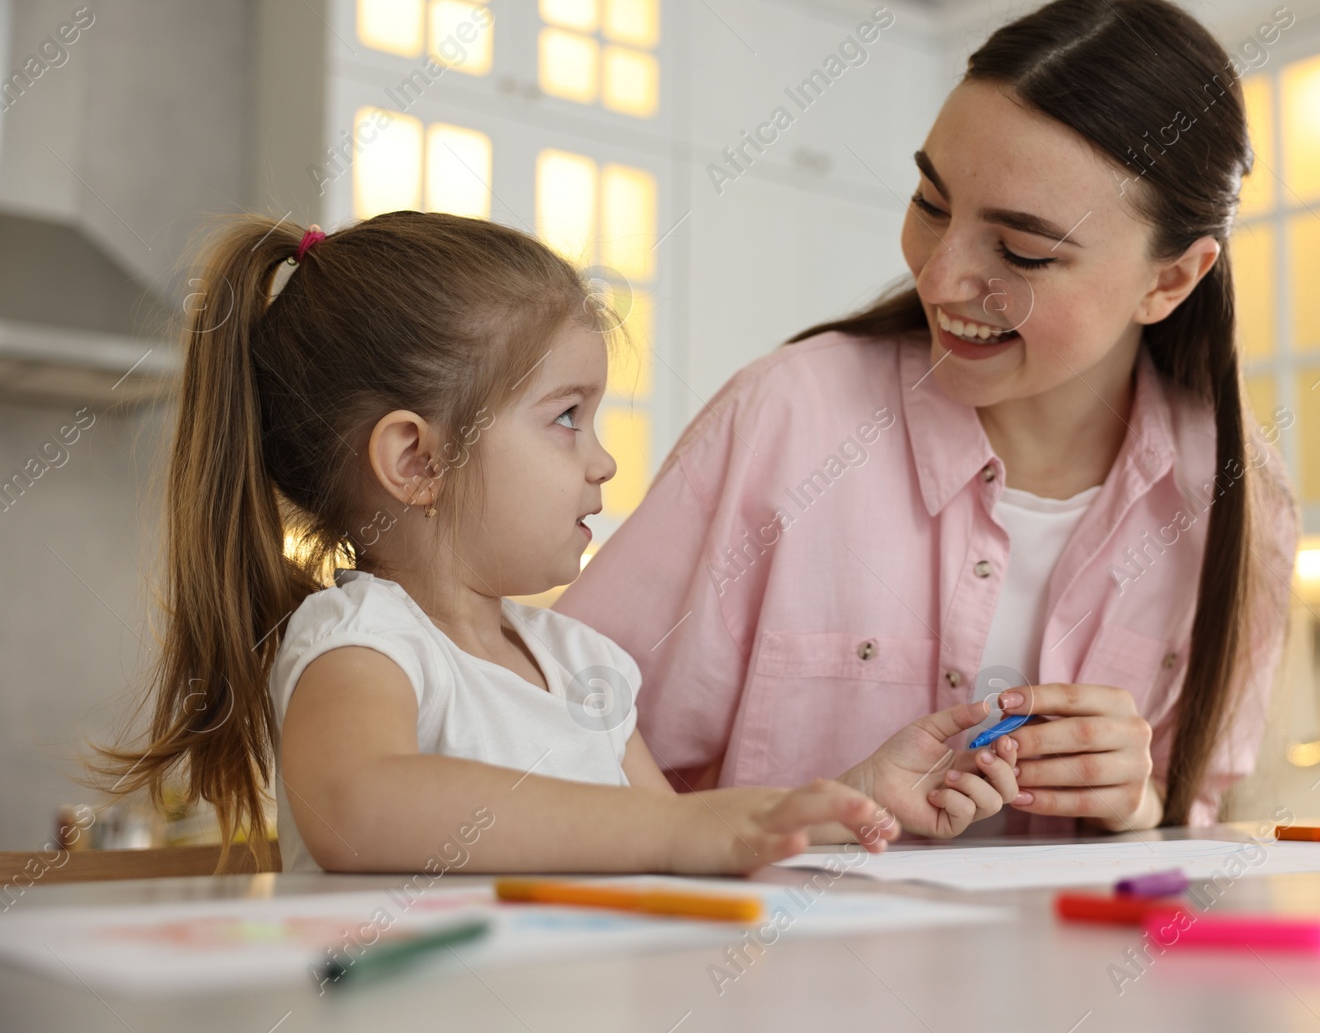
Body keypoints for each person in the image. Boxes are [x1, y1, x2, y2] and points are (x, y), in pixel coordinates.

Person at [555, 0, 1299, 833]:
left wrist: (1142, 800)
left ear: (1171, 279)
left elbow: (1198, 807)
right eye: (931, 205)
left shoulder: (1240, 497)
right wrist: (805, 815)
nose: (939, 278)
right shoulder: (788, 421)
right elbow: (545, 734)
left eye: (1022, 251)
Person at [93, 212, 1021, 873]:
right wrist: (675, 834)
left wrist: (850, 797)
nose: (604, 462)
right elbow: (356, 806)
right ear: (418, 459)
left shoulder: (584, 664)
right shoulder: (363, 643)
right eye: (566, 417)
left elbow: (679, 837)